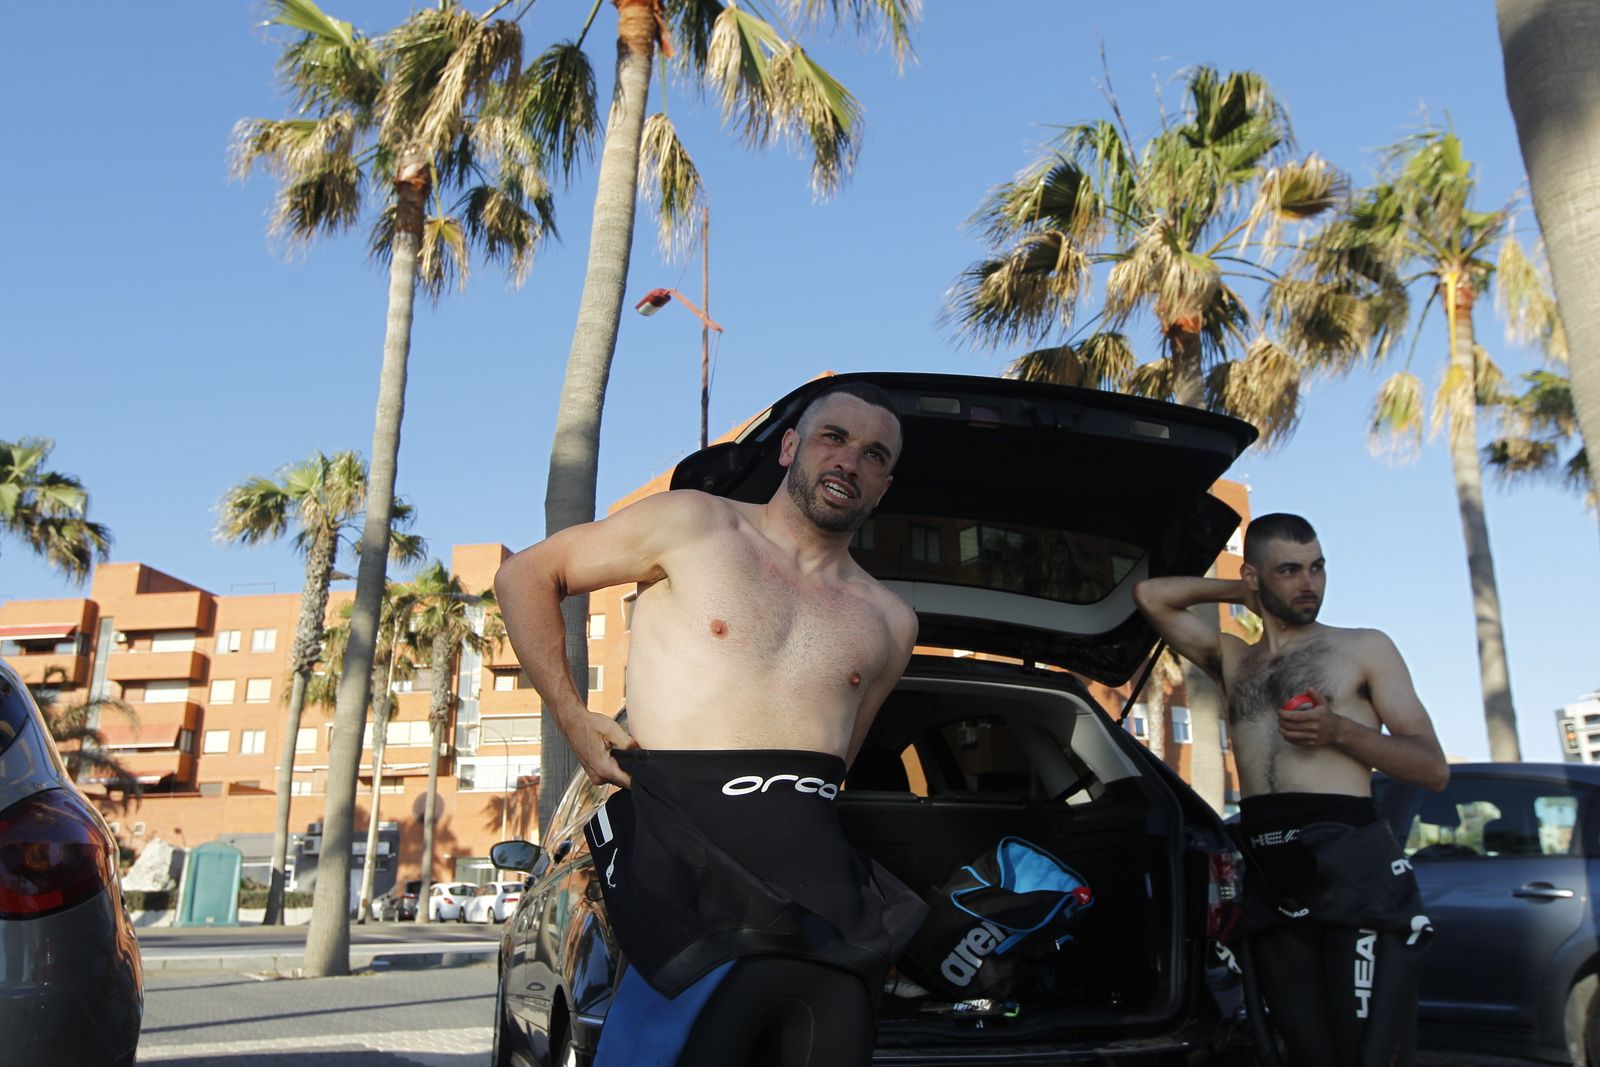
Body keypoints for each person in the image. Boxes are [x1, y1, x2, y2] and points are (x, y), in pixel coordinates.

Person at [494, 381, 925, 1067]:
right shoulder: (693, 524)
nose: (850, 461)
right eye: (833, 438)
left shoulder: (889, 623)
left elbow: (835, 765)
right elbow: (525, 577)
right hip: (681, 878)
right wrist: (575, 721)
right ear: (790, 447)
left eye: (875, 454)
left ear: (885, 483)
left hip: (822, 902)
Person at [1132, 512, 1449, 1067]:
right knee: (1305, 1052)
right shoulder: (1236, 660)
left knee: (1368, 1053)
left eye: (1317, 568)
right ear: (1255, 576)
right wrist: (1241, 589)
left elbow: (1431, 768)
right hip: (1271, 872)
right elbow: (1152, 596)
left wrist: (1341, 731)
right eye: (1290, 571)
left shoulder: (1363, 648)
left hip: (1350, 866)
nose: (1310, 584)